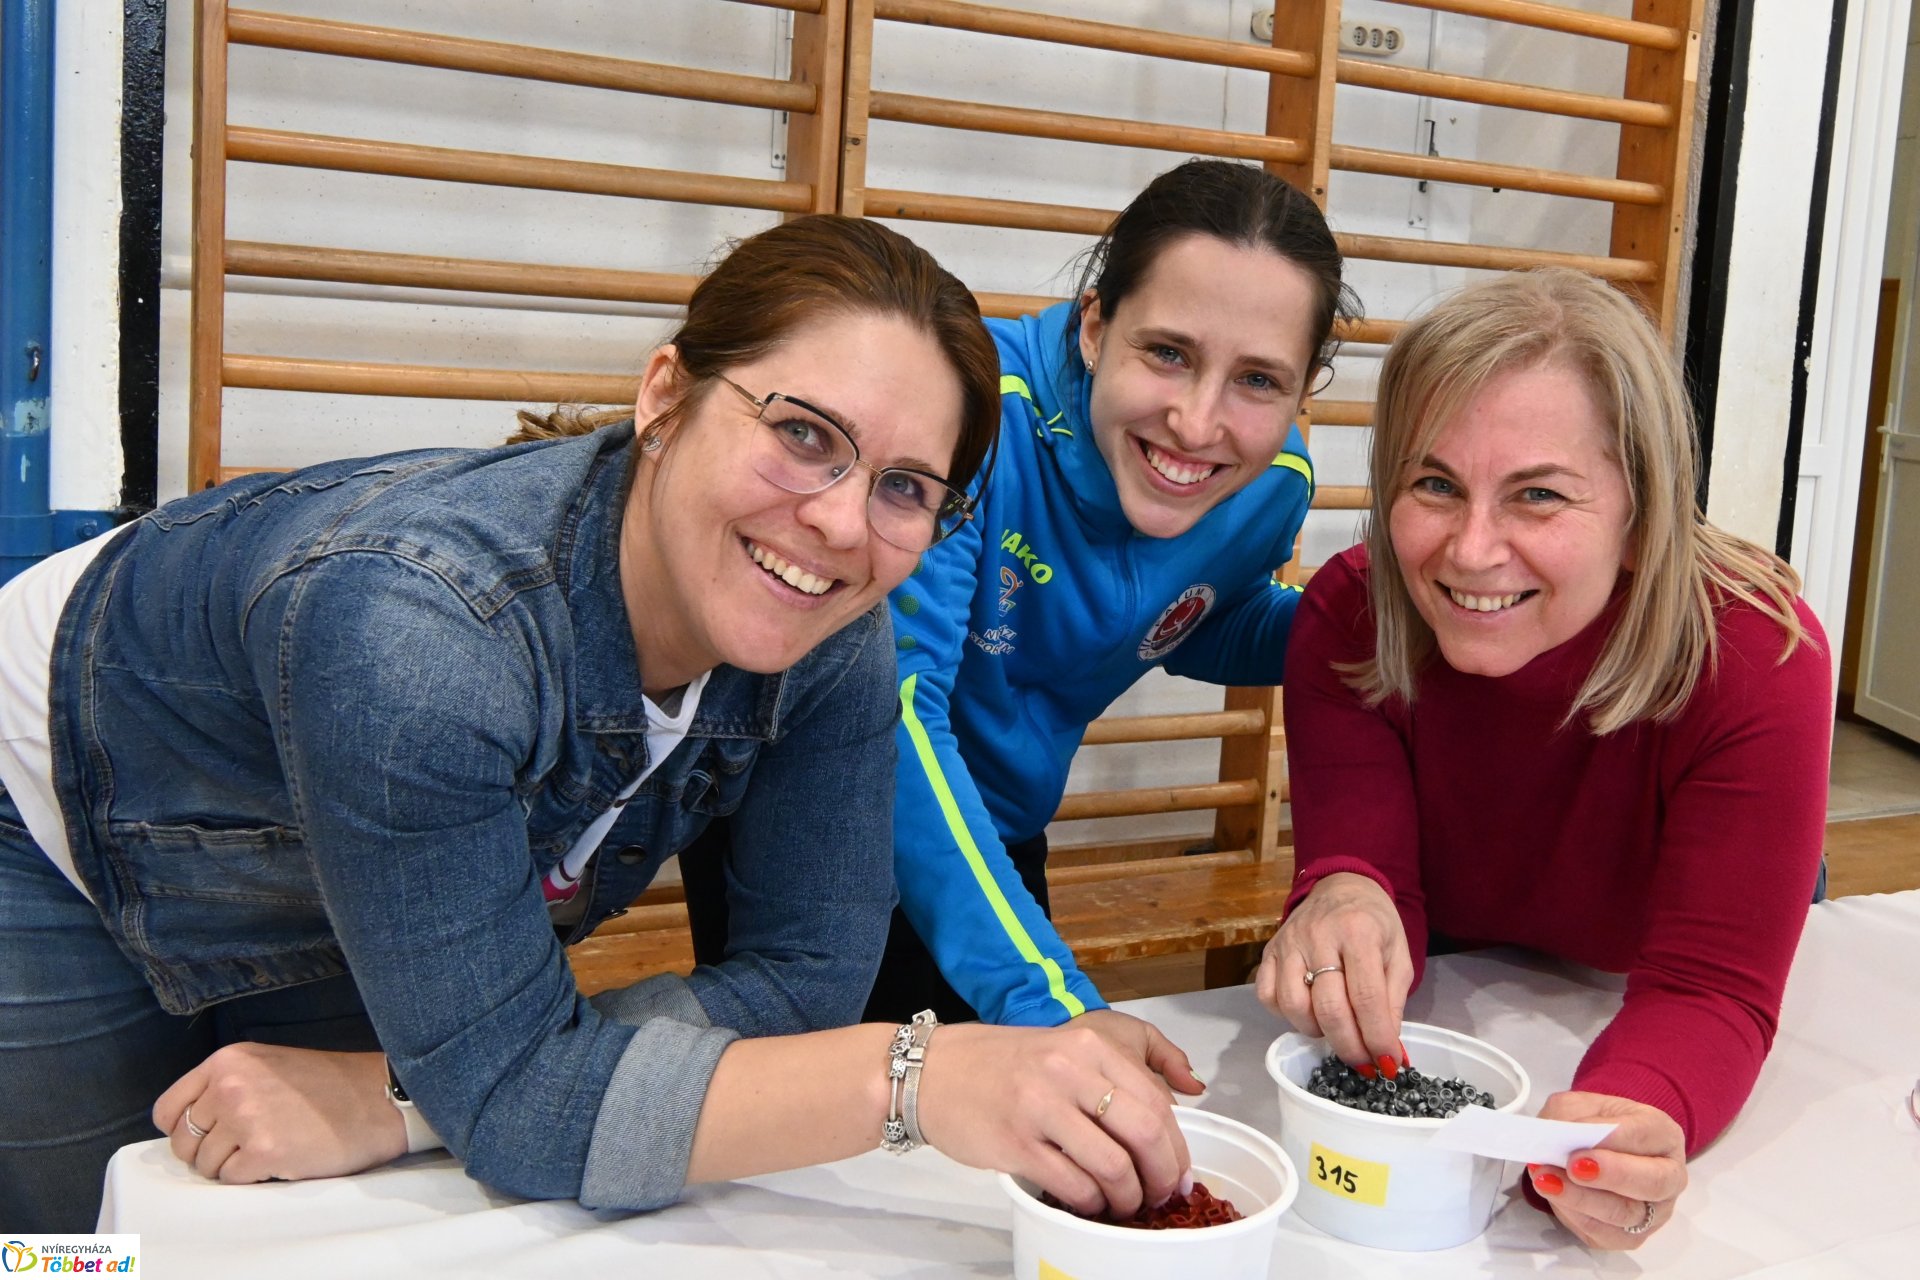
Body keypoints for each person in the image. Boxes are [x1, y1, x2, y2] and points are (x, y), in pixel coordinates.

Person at [0, 215, 1193, 1232]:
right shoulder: (420, 636)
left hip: (327, 849)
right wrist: (922, 1074)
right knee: (79, 1235)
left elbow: (803, 986)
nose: (840, 521)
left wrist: (407, 1091)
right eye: (802, 433)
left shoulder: (835, 633)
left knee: (306, 1210)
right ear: (665, 395)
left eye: (903, 485)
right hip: (58, 806)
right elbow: (523, 1102)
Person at [685, 158, 1360, 1037]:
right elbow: (894, 714)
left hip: (993, 829)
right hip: (818, 818)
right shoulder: (971, 417)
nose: (1199, 424)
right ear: (1093, 327)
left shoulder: (1270, 487)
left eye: (1259, 380)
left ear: (1303, 391)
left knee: (1009, 1136)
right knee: (841, 1143)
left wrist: (1373, 624)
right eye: (1167, 353)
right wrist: (1052, 1004)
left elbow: (1182, 622)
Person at [1257, 267, 1830, 1250]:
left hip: (1647, 965)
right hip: (1476, 980)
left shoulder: (1758, 658)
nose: (1473, 550)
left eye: (1539, 496)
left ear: (1641, 519)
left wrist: (1627, 1118)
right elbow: (1369, 870)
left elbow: (1709, 985)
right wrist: (1343, 894)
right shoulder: (1352, 614)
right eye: (1435, 483)